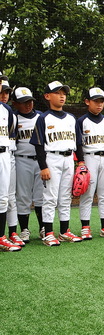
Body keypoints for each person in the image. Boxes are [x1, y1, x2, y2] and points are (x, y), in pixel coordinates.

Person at [30, 81, 84, 246]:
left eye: (64, 93)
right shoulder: (43, 118)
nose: (62, 96)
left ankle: (64, 231)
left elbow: (78, 142)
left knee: (65, 197)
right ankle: (48, 233)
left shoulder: (71, 118)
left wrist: (81, 161)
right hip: (51, 158)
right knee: (50, 197)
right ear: (47, 96)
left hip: (68, 158)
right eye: (57, 93)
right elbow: (39, 145)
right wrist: (43, 166)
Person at [76, 87, 104, 239]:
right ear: (87, 102)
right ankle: (85, 227)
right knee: (87, 193)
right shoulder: (81, 121)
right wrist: (81, 162)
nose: (99, 104)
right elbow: (78, 143)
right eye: (96, 101)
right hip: (89, 157)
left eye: (102, 101)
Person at [11, 87, 44, 244]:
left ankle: (43, 227)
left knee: (41, 195)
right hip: (21, 158)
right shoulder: (13, 118)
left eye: (30, 101)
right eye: (24, 102)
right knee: (23, 196)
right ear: (15, 103)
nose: (28, 104)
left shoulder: (41, 117)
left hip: (40, 161)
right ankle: (24, 229)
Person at [1, 79, 23, 247]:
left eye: (7, 92)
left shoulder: (7, 111)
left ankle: (7, 234)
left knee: (6, 198)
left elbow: (10, 136)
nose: (4, 95)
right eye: (2, 91)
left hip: (6, 154)